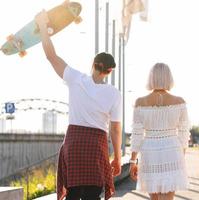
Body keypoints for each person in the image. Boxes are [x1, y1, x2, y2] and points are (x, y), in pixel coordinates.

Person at [35, 10, 122, 200]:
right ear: (109, 71)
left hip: (74, 142)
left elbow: (51, 56)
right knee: (92, 194)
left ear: (93, 64)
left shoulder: (75, 79)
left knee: (73, 194)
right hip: (96, 146)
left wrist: (42, 26)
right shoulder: (114, 93)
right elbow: (115, 130)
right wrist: (117, 157)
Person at [129, 63, 190, 200]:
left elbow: (137, 134)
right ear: (169, 78)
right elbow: (184, 132)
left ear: (151, 78)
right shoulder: (179, 101)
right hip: (173, 149)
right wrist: (182, 154)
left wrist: (133, 161)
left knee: (154, 197)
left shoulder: (140, 102)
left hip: (149, 149)